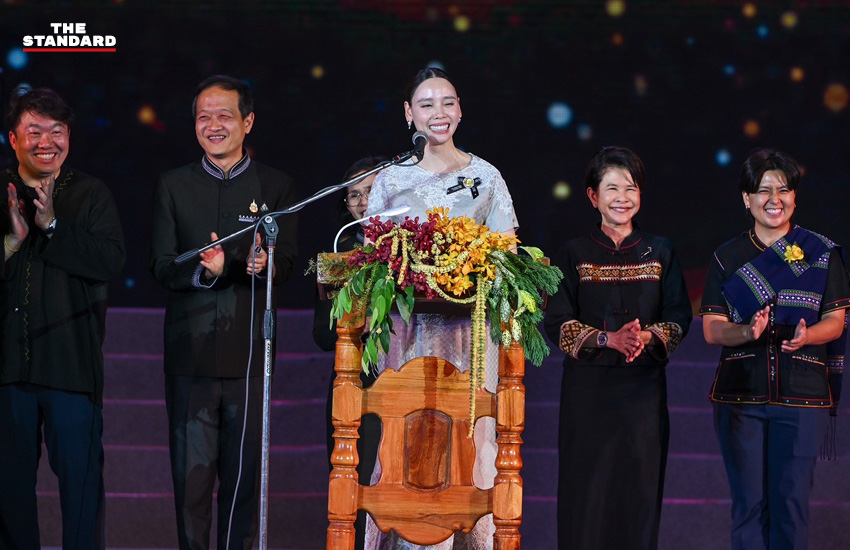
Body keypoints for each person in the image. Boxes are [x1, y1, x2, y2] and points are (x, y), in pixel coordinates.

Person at [362, 67, 518, 550]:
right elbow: (372, 256)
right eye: (426, 104)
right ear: (409, 114)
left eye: (447, 102)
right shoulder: (391, 179)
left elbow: (508, 253)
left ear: (460, 111)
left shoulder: (485, 176)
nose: (439, 113)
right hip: (409, 334)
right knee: (412, 438)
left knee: (472, 438)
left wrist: (468, 260)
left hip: (470, 335)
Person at [150, 75, 298, 550]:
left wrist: (262, 263)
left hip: (249, 357)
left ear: (247, 122)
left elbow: (288, 262)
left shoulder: (276, 186)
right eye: (203, 117)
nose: (213, 126)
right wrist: (206, 271)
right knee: (191, 486)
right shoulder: (173, 185)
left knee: (242, 487)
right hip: (190, 357)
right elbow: (161, 265)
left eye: (224, 116)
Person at [699, 148, 849, 550]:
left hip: (802, 397)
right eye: (763, 190)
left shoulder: (820, 252)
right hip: (740, 397)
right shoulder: (727, 256)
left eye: (783, 190)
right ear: (746, 199)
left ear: (794, 197)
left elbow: (836, 322)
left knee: (791, 507)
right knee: (748, 507)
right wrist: (746, 331)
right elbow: (712, 330)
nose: (774, 199)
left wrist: (807, 337)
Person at [543, 146, 692, 550]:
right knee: (585, 497)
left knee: (639, 496)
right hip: (587, 395)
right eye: (612, 188)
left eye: (630, 188)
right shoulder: (574, 252)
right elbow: (557, 322)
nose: (622, 197)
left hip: (643, 394)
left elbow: (679, 316)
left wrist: (645, 338)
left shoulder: (661, 251)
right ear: (593, 196)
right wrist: (608, 339)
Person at [0, 87, 126, 549]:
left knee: (81, 492)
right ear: (14, 139)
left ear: (69, 137)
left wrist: (53, 225)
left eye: (57, 131)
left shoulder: (90, 194)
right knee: (9, 494)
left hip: (72, 368)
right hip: (6, 372)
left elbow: (110, 261)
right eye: (34, 131)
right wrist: (12, 243)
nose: (46, 142)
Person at [313, 156, 386, 550]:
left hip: (407, 381)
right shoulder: (339, 256)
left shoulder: (421, 249)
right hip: (356, 386)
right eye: (354, 195)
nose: (361, 202)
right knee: (354, 494)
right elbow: (323, 336)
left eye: (370, 191)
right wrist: (356, 319)